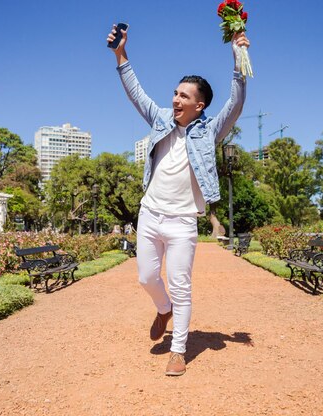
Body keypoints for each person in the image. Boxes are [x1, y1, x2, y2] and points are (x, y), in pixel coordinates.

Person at [107, 24, 249, 376]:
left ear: (199, 105)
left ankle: (179, 350)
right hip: (151, 214)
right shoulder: (160, 119)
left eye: (184, 96)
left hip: (183, 220)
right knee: (145, 277)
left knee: (182, 284)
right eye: (175, 93)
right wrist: (120, 54)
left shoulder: (210, 130)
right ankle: (162, 307)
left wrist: (238, 58)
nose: (175, 99)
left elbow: (236, 103)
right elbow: (136, 93)